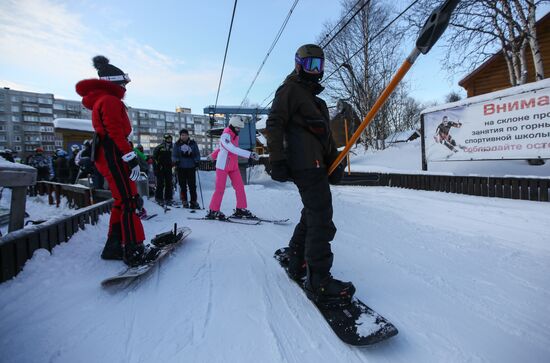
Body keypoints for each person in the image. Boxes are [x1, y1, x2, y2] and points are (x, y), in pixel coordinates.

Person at [266, 44, 353, 305]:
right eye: (310, 65)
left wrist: (335, 163)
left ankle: (297, 259)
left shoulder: (317, 101)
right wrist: (277, 160)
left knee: (313, 213)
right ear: (298, 64)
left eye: (319, 66)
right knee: (322, 218)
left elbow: (325, 138)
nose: (315, 71)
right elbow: (274, 123)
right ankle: (319, 280)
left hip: (316, 163)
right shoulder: (290, 90)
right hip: (304, 164)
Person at [76, 55, 155, 267]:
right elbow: (115, 133)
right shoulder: (110, 100)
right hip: (114, 154)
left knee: (122, 201)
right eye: (122, 83)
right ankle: (134, 249)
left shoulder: (104, 99)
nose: (125, 87)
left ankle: (114, 246)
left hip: (109, 154)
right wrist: (130, 159)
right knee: (130, 201)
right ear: (113, 83)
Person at [206, 116, 259, 220]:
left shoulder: (234, 135)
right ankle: (213, 210)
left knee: (240, 187)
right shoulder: (225, 135)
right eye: (238, 128)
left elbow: (221, 148)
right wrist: (250, 154)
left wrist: (212, 155)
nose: (239, 130)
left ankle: (241, 209)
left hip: (233, 166)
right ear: (232, 126)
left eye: (240, 128)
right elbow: (231, 149)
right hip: (223, 166)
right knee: (220, 189)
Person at [172, 129, 201, 209]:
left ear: (188, 135)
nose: (184, 136)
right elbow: (174, 155)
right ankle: (184, 201)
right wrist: (176, 161)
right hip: (181, 168)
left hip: (191, 167)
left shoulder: (193, 143)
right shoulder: (177, 144)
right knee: (183, 186)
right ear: (180, 136)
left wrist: (196, 161)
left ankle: (193, 201)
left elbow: (197, 154)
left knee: (192, 186)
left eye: (185, 135)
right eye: (182, 135)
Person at [153, 134, 174, 205]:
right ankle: (159, 198)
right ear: (165, 139)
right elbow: (154, 158)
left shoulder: (173, 148)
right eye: (168, 139)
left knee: (169, 183)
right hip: (160, 168)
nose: (169, 140)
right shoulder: (159, 147)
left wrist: (174, 164)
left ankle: (168, 198)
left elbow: (174, 157)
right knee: (160, 183)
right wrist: (156, 168)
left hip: (169, 168)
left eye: (170, 139)